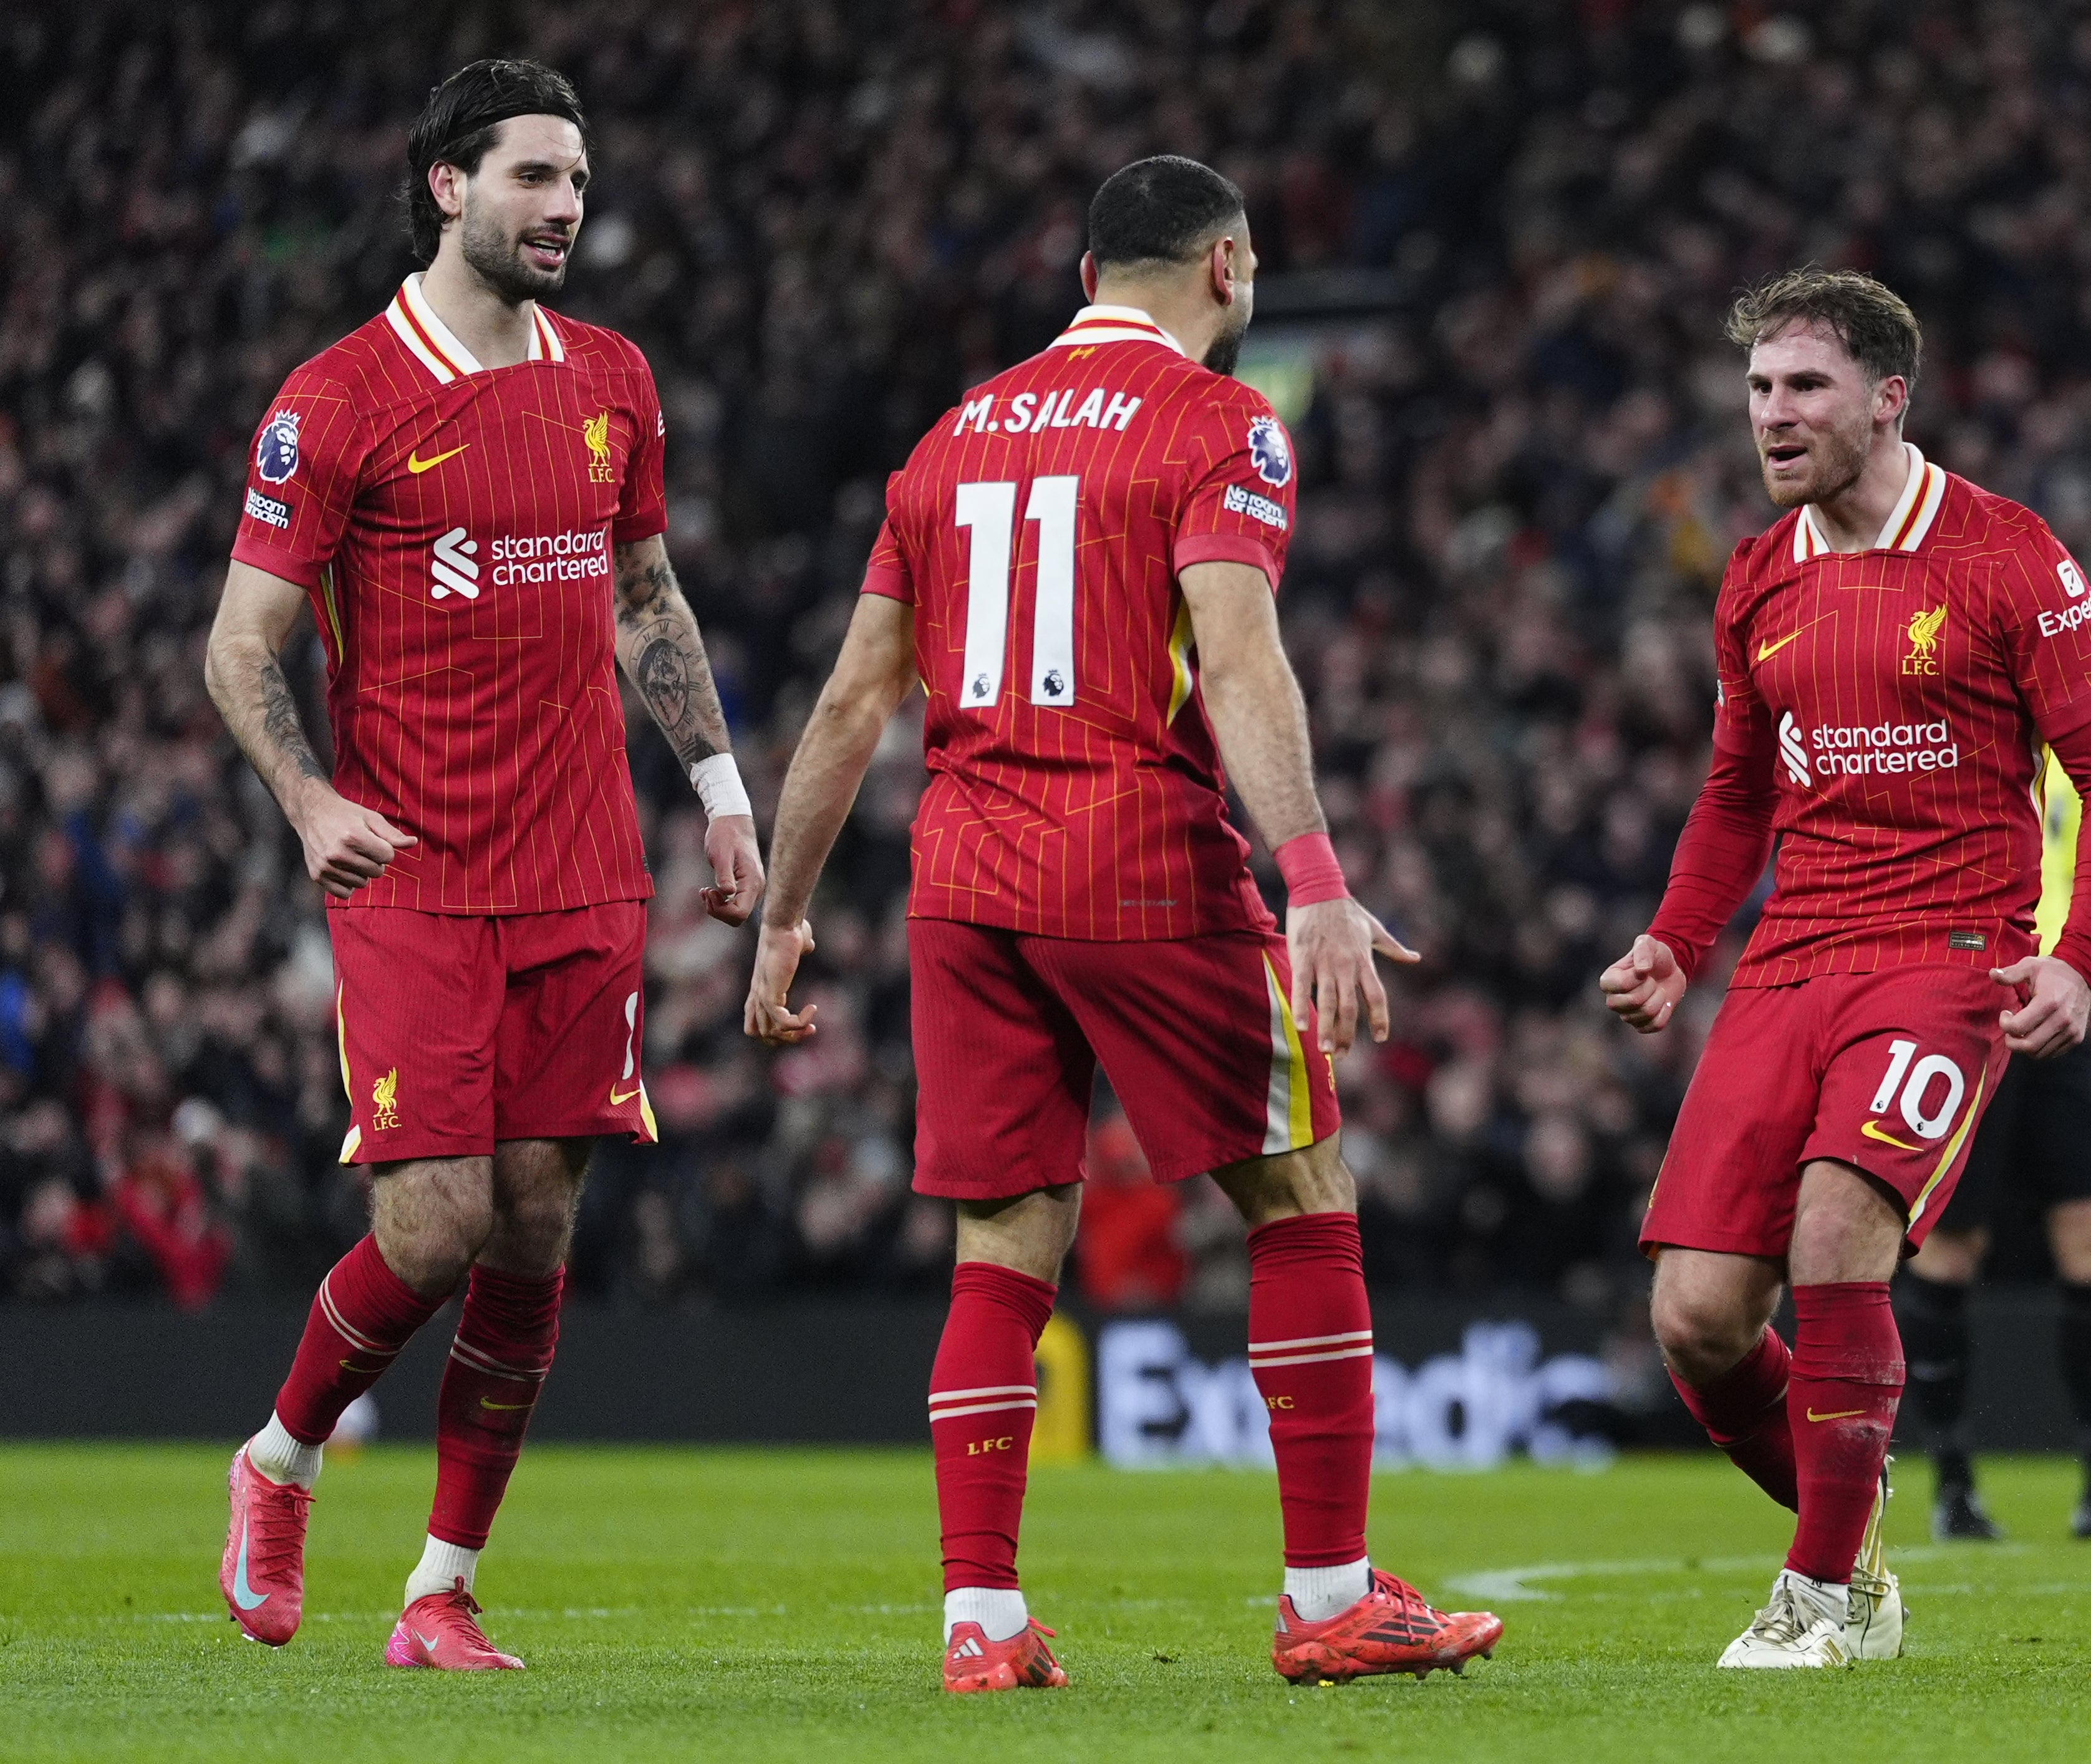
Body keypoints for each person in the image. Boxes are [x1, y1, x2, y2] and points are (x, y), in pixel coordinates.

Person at [745, 155, 1503, 1694]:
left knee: (1002, 1240)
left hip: (962, 876)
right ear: (1227, 266)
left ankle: (981, 1620)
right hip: (1134, 858)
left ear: (1088, 277)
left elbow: (851, 698)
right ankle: (1331, 1596)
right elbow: (1237, 658)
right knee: (1300, 1189)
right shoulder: (1221, 423)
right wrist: (1314, 878)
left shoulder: (950, 435)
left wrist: (783, 915)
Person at [205, 59, 761, 1671]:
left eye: (577, 178)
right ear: (446, 185)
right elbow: (238, 646)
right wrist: (308, 802)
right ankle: (281, 1457)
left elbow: (645, 595)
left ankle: (439, 1588)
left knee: (532, 1229)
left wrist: (721, 787)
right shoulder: (338, 402)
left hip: (582, 871)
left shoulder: (613, 379)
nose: (566, 205)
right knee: (434, 1223)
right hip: (414, 871)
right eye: (533, 175)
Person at [1599, 266, 2091, 1669]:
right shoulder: (1756, 574)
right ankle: (1854, 1519)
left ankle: (1826, 1595)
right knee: (1697, 1318)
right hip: (1792, 956)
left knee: (1835, 1238)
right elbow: (1738, 791)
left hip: (1949, 952)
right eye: (1758, 388)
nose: (1772, 414)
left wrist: (2080, 960)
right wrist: (1676, 938)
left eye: (1806, 386)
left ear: (1887, 398)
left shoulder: (2006, 553)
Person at [1901, 756, 2091, 1541]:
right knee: (1951, 1246)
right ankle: (1952, 1487)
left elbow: (2087, 894)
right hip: (1968, 999)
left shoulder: (2077, 761)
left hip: (2065, 1004)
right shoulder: (1965, 738)